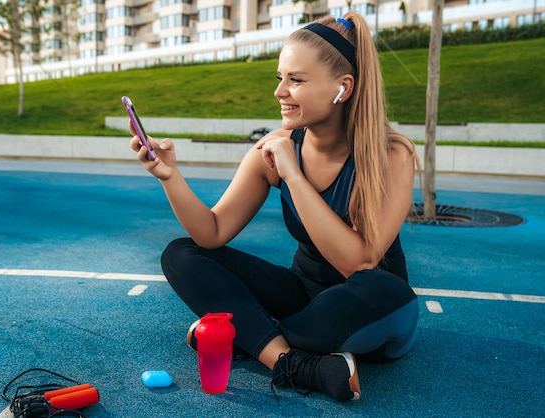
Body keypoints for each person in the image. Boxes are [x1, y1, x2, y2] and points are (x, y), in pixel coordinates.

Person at [129, 12, 420, 402]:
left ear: (343, 88)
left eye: (296, 80)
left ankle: (251, 332)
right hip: (303, 294)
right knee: (181, 254)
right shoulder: (277, 146)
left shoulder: (393, 154)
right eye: (280, 78)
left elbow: (359, 263)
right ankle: (292, 364)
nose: (280, 91)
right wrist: (170, 177)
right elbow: (211, 232)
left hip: (374, 303)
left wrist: (294, 176)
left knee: (339, 308)